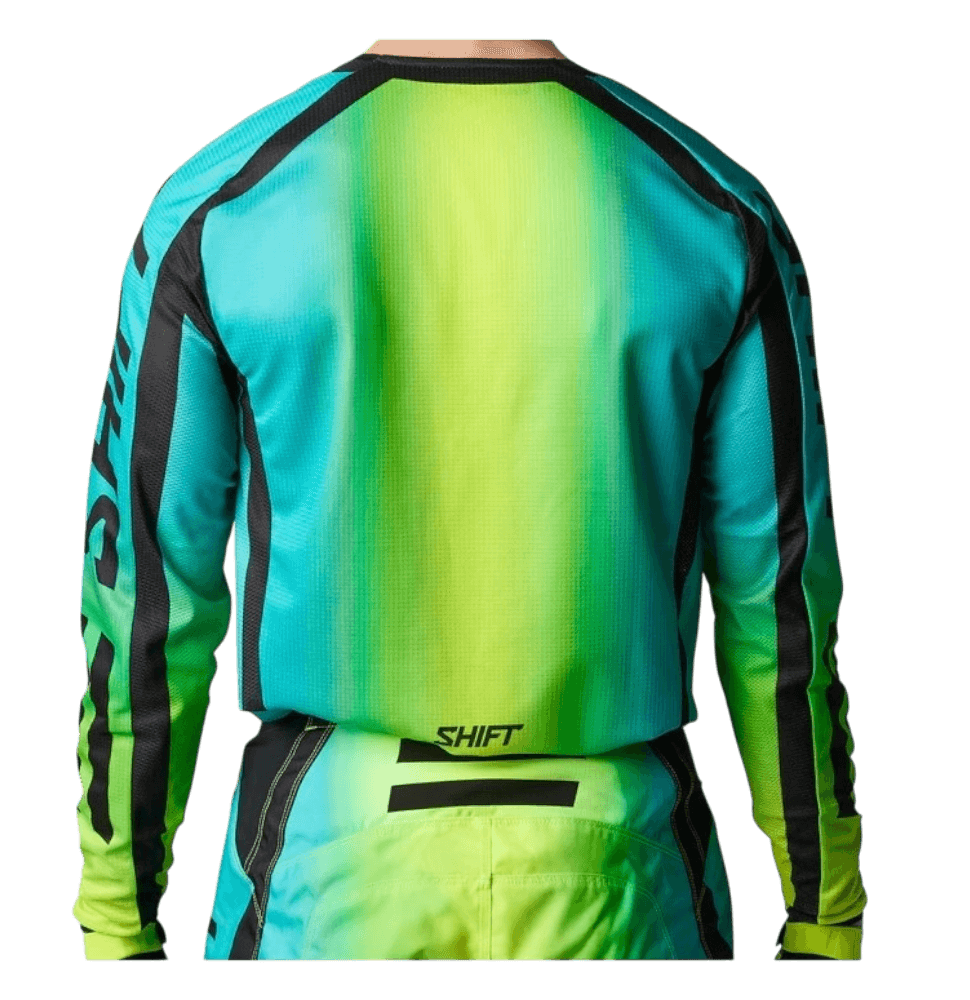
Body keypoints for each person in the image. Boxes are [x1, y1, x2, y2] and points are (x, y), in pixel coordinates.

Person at [74, 37, 866, 961]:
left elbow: (146, 598)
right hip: (625, 865)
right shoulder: (715, 208)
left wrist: (118, 914)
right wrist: (824, 909)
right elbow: (781, 599)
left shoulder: (218, 206)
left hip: (326, 869)